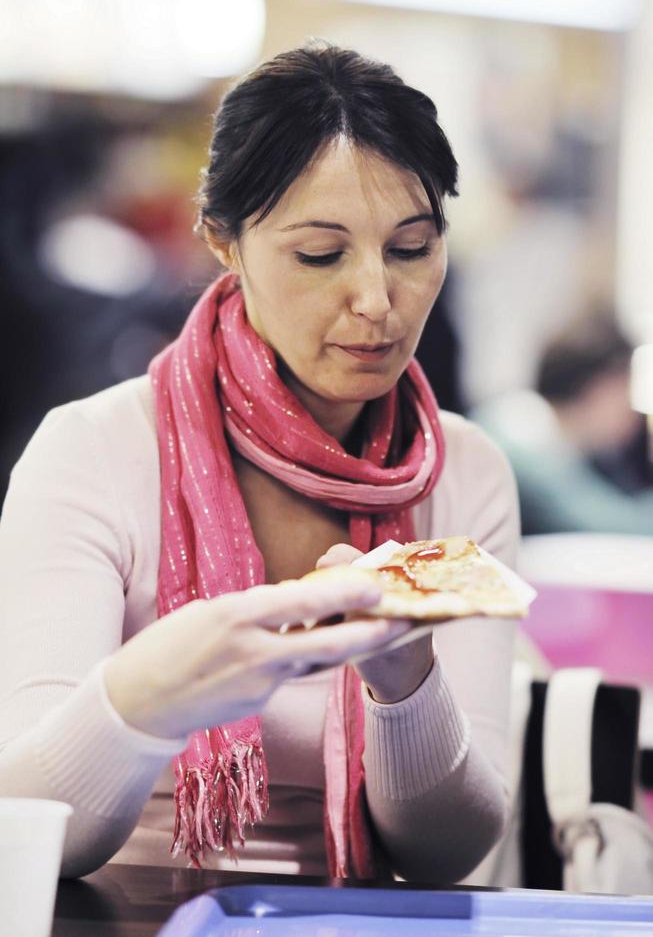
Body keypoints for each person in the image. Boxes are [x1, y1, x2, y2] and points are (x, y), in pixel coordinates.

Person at [0, 44, 519, 884]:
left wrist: (403, 679)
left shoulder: (462, 471)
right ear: (224, 244)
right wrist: (151, 694)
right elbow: (29, 832)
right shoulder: (93, 450)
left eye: (411, 248)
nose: (376, 301)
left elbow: (450, 855)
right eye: (320, 255)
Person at [473, 318, 653, 535]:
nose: (632, 412)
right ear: (600, 388)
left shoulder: (537, 424)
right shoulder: (521, 436)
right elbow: (604, 524)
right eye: (625, 392)